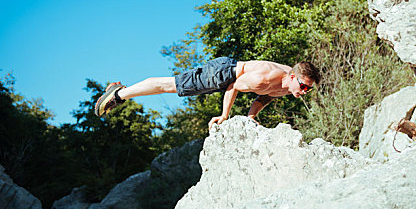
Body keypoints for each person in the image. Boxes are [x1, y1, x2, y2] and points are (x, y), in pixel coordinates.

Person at [95, 57, 321, 129]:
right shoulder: (266, 76)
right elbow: (234, 86)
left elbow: (263, 98)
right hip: (223, 73)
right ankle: (119, 94)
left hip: (227, 74)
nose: (304, 91)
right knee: (171, 85)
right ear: (293, 76)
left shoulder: (286, 88)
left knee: (172, 86)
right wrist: (225, 116)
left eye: (308, 89)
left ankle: (122, 91)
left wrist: (252, 116)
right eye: (303, 86)